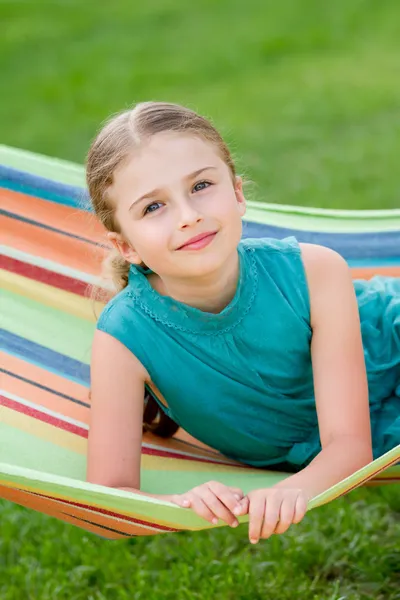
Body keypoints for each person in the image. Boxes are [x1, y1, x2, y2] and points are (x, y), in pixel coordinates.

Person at [85, 101, 400, 544]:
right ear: (126, 246)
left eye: (201, 185)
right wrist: (183, 501)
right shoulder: (125, 339)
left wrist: (292, 489)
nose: (188, 215)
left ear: (236, 192)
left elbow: (349, 446)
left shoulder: (315, 272)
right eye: (153, 207)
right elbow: (108, 501)